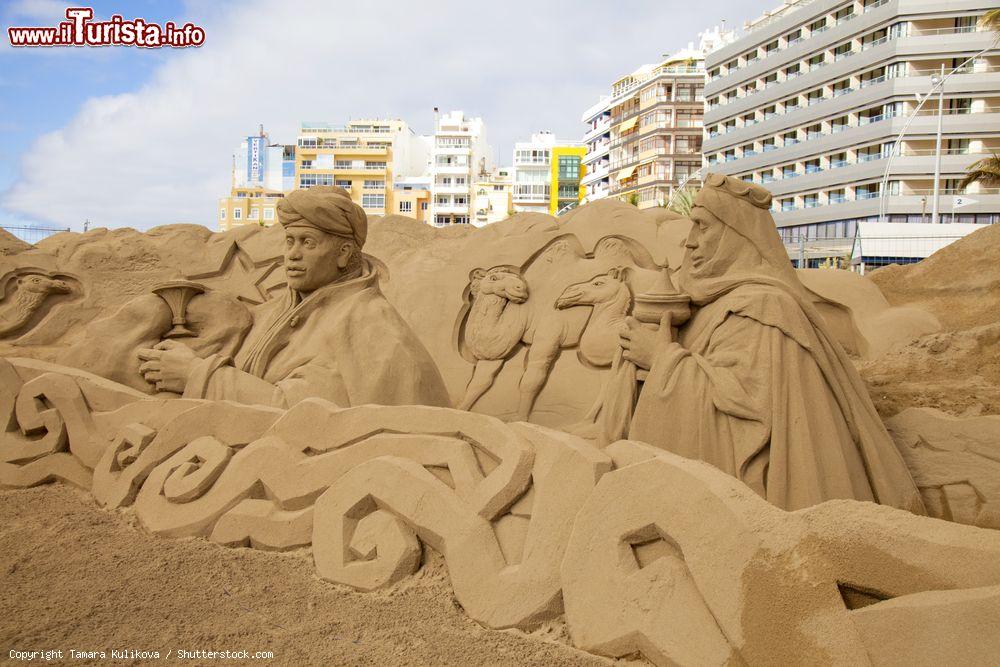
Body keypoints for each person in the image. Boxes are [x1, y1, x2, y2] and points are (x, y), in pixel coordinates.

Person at [619, 174, 925, 513]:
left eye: (703, 227)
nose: (690, 242)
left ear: (736, 236)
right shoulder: (712, 301)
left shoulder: (765, 308)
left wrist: (663, 359)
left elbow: (747, 415)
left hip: (771, 505)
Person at [137, 186, 450, 410]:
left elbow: (306, 417)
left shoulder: (367, 319)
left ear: (343, 253)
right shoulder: (283, 311)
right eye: (289, 241)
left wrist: (196, 375)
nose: (292, 255)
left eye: (307, 243)